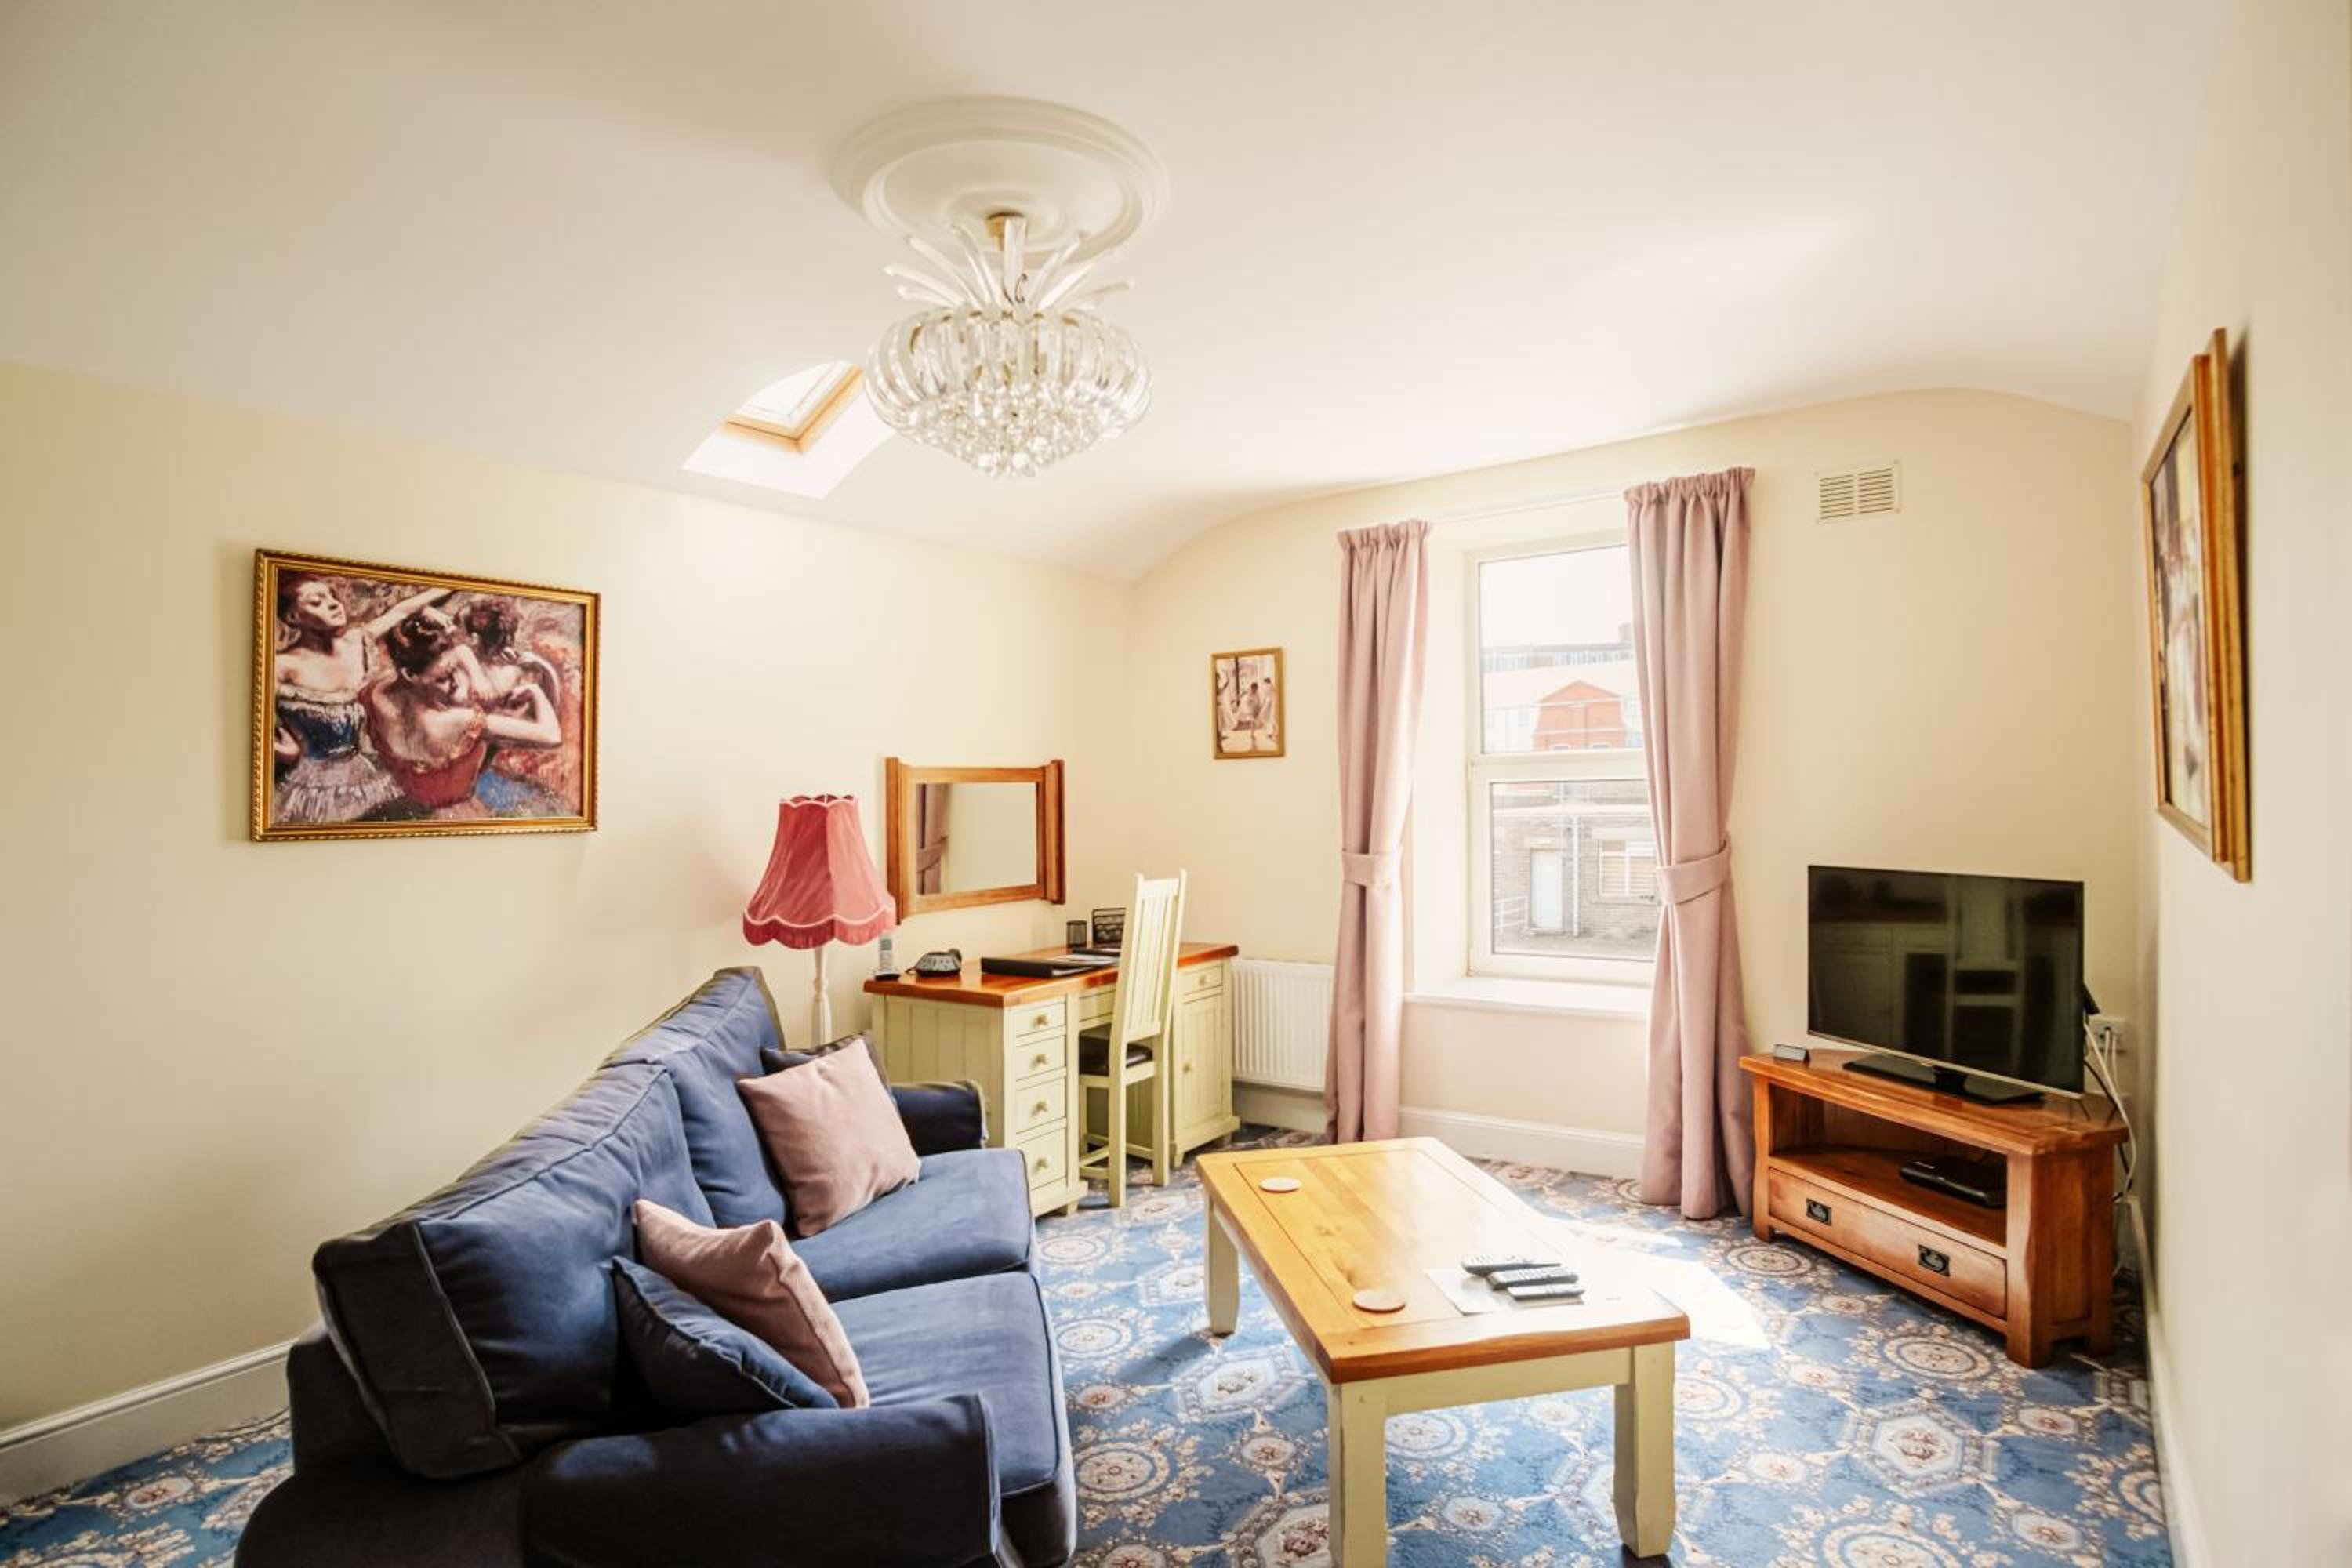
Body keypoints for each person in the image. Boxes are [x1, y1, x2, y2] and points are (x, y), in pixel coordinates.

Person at [269, 573, 448, 824]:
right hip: (313, 787)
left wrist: (444, 591)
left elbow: (401, 611)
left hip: (363, 772)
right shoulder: (282, 666)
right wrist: (282, 751)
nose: (333, 604)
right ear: (293, 617)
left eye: (331, 597)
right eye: (316, 602)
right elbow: (241, 714)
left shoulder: (357, 642)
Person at [362, 608, 562, 815]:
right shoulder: (453, 720)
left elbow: (458, 651)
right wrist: (536, 689)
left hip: (411, 789)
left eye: (454, 668)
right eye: (443, 679)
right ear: (410, 676)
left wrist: (477, 676)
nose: (455, 682)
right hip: (450, 802)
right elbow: (552, 737)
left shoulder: (376, 692)